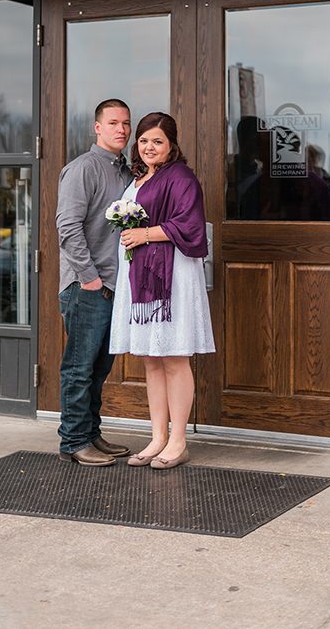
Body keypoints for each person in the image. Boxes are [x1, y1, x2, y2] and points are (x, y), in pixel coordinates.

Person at [110, 111, 215, 469]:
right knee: (151, 359)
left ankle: (179, 441)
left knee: (174, 357)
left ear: (171, 145)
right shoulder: (139, 178)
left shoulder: (181, 177)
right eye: (143, 141)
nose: (149, 147)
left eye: (157, 141)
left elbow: (190, 223)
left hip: (173, 277)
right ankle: (157, 437)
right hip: (141, 275)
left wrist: (145, 234)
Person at [55, 98, 135, 466]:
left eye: (126, 124)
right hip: (86, 287)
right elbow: (68, 228)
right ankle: (73, 441)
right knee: (79, 366)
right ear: (97, 127)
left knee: (100, 368)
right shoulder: (82, 169)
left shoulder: (126, 174)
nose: (121, 129)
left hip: (115, 287)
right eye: (114, 122)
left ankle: (91, 433)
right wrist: (89, 280)